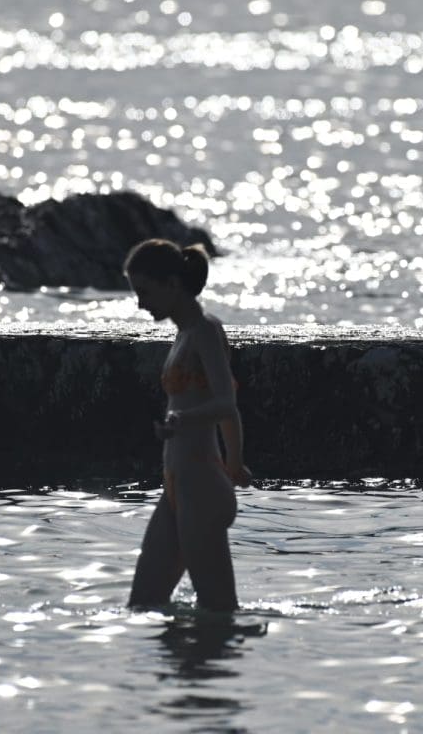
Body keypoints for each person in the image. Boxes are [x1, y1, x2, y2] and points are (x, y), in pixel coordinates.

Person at [124, 238, 252, 612]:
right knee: (143, 603)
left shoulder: (206, 331)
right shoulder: (184, 335)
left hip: (202, 487)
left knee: (218, 610)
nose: (140, 303)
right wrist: (235, 463)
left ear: (173, 284)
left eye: (145, 291)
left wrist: (184, 422)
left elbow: (226, 404)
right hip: (177, 485)